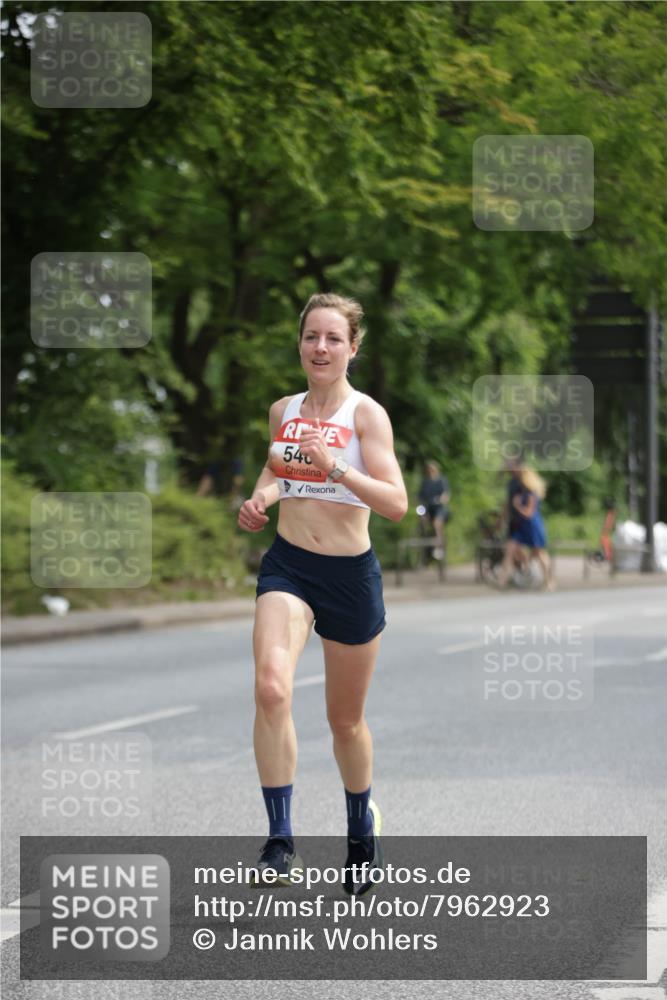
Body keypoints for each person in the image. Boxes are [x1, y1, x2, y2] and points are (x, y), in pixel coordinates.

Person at [238, 292, 408, 895]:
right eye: (312, 336)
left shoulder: (367, 416)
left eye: (334, 338)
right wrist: (261, 499)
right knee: (271, 686)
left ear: (352, 348)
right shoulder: (283, 410)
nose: (321, 347)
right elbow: (275, 470)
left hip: (349, 577)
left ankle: (362, 828)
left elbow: (395, 503)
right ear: (300, 343)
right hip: (288, 567)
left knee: (344, 722)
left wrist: (335, 466)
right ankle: (280, 841)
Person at [497, 465, 554, 590]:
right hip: (520, 526)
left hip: (532, 526)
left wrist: (517, 506)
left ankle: (549, 581)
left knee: (540, 554)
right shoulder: (520, 491)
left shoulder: (531, 493)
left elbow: (529, 513)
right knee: (509, 551)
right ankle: (502, 581)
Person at [418, 461, 450, 560]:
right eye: (429, 470)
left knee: (437, 523)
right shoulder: (425, 482)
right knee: (422, 519)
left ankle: (439, 547)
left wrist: (442, 499)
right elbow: (419, 496)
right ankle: (424, 544)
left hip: (438, 507)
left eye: (432, 470)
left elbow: (446, 495)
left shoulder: (442, 481)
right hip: (427, 507)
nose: (431, 472)